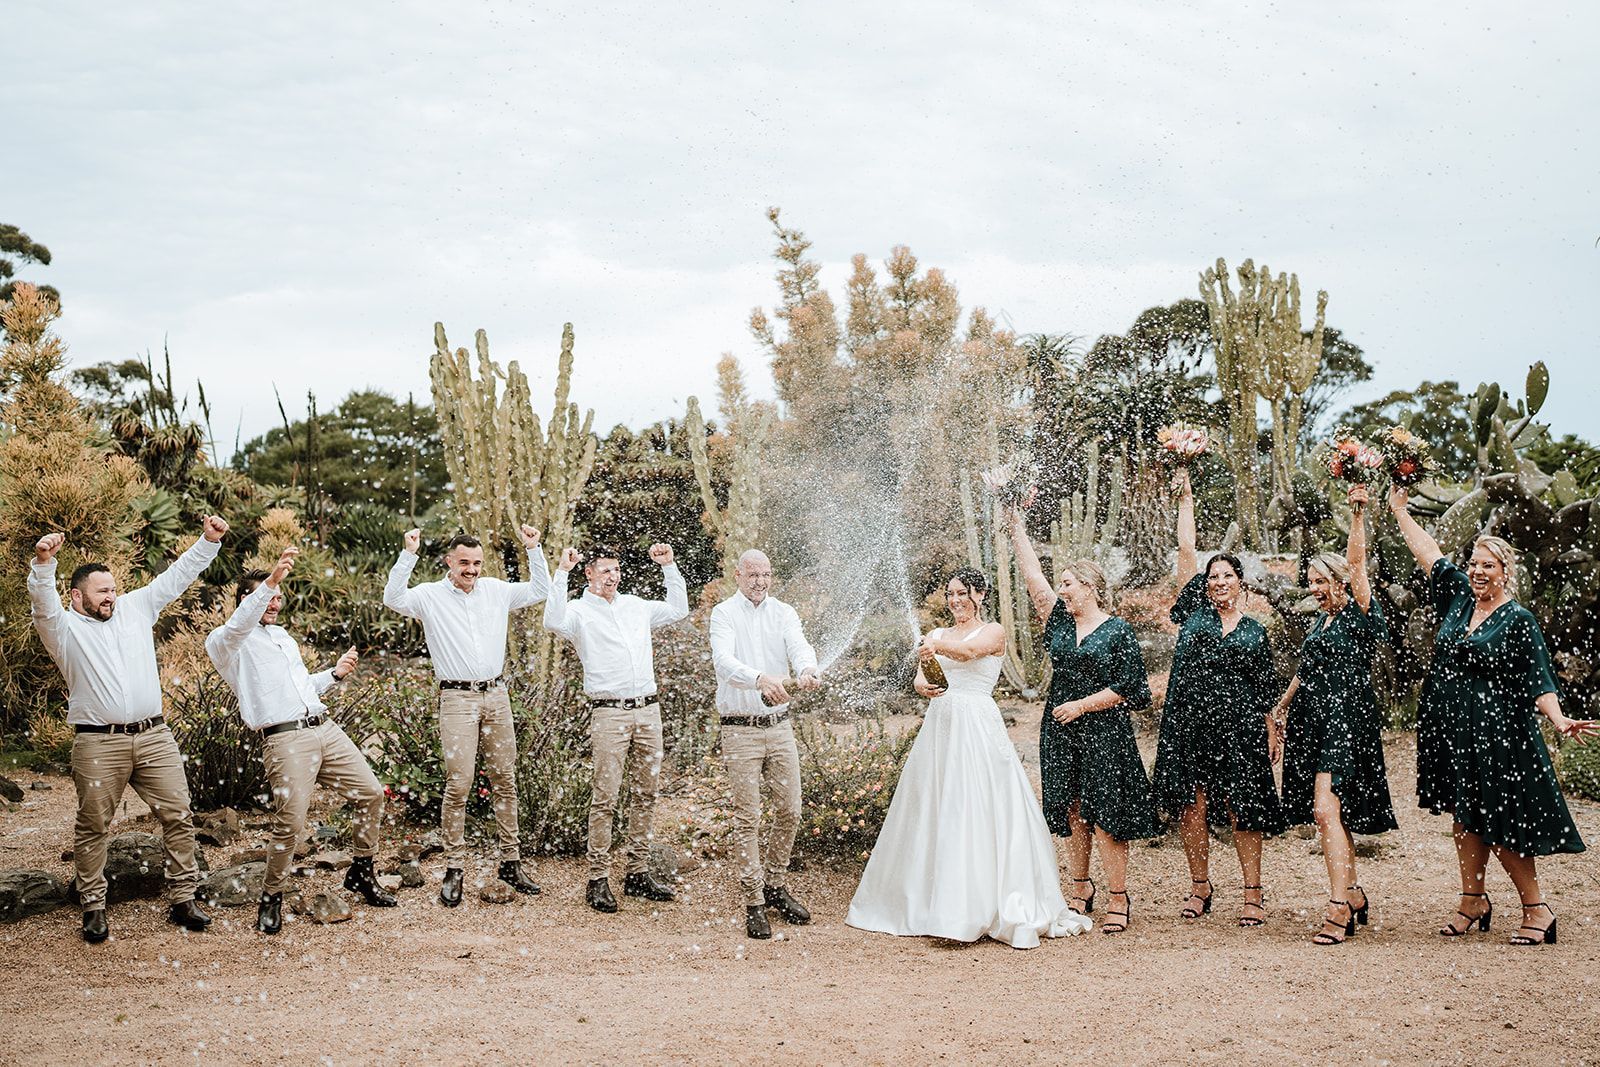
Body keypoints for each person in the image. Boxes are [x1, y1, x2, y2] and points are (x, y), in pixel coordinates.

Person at [1388, 486, 1597, 945]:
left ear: (1505, 573)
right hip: (1453, 728)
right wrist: (1401, 511)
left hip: (1500, 731)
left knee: (1500, 820)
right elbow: (1429, 552)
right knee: (1463, 815)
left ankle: (1537, 909)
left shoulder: (1519, 620)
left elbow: (1539, 679)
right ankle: (1472, 900)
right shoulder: (1459, 599)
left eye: (1488, 565)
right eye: (1475, 564)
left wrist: (1558, 719)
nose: (1478, 571)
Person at [846, 568, 1092, 947]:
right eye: (950, 594)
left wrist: (934, 645)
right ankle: (931, 904)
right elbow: (922, 675)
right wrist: (921, 683)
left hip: (976, 725)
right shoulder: (938, 635)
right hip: (940, 725)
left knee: (973, 805)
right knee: (934, 805)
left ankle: (974, 906)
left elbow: (971, 653)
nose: (956, 600)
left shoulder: (991, 631)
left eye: (963, 593)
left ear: (980, 594)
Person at [29, 518, 229, 943]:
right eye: (103, 591)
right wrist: (44, 563)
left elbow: (174, 578)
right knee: (94, 825)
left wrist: (208, 542)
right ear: (77, 595)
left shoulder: (135, 608)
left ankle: (183, 898)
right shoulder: (63, 630)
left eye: (114, 589)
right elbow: (43, 605)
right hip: (98, 741)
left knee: (178, 815)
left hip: (155, 736)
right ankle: (94, 907)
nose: (111, 597)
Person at [207, 547, 394, 935]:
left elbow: (299, 688)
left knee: (370, 792)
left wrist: (334, 675)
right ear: (245, 599)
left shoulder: (283, 638)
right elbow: (240, 624)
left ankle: (361, 872)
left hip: (324, 727)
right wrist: (271, 579)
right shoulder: (227, 642)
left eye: (278, 597)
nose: (275, 603)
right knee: (290, 822)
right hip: (285, 740)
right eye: (268, 596)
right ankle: (271, 896)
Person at [1006, 497, 1161, 935]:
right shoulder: (1058, 621)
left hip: (1104, 731)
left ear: (1090, 587)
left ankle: (1117, 896)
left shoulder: (1118, 631)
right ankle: (1080, 888)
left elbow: (1132, 689)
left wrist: (1081, 705)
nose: (1063, 589)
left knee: (1107, 812)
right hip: (1061, 732)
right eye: (1062, 584)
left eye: (1069, 583)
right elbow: (1033, 577)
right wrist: (1014, 523)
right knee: (1074, 808)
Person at [383, 525, 549, 906]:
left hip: (497, 694)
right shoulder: (428, 596)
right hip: (457, 698)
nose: (470, 569)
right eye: (463, 563)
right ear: (449, 562)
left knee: (505, 778)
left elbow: (540, 591)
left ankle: (511, 861)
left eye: (476, 563)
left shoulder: (497, 590)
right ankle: (454, 867)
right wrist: (408, 553)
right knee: (459, 783)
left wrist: (533, 548)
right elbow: (393, 597)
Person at [1151, 468, 1288, 928]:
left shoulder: (1253, 632)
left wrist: (1273, 731)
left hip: (1241, 726)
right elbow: (1186, 551)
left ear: (1241, 583)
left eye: (1227, 576)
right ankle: (1199, 886)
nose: (1218, 582)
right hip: (1189, 722)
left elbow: (1266, 688)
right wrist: (1186, 500)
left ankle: (1252, 893)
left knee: (1243, 806)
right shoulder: (1195, 611)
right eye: (1213, 577)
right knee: (1193, 803)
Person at [1274, 484, 1397, 945]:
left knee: (1326, 811)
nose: (1314, 588)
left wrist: (1358, 514)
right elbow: (1306, 672)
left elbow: (1360, 564)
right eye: (1311, 581)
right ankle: (1355, 892)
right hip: (1312, 719)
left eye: (1321, 581)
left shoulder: (1361, 614)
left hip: (1347, 718)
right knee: (1331, 813)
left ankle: (1339, 906)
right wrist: (1279, 710)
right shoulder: (1319, 623)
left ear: (1341, 583)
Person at [545, 542, 689, 912]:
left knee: (646, 794)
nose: (613, 575)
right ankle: (597, 878)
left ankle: (637, 873)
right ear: (588, 573)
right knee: (605, 797)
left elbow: (678, 609)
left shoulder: (636, 606)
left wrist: (669, 566)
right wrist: (561, 571)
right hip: (609, 713)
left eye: (616, 568)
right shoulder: (577, 612)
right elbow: (551, 620)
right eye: (605, 569)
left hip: (648, 711)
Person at [708, 549, 821, 940]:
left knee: (790, 810)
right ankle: (754, 900)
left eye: (766, 574)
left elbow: (800, 645)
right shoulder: (724, 614)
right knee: (748, 817)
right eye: (753, 574)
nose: (760, 581)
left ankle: (774, 884)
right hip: (739, 730)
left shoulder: (784, 612)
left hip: (780, 727)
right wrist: (759, 679)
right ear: (738, 575)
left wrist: (807, 668)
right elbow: (722, 662)